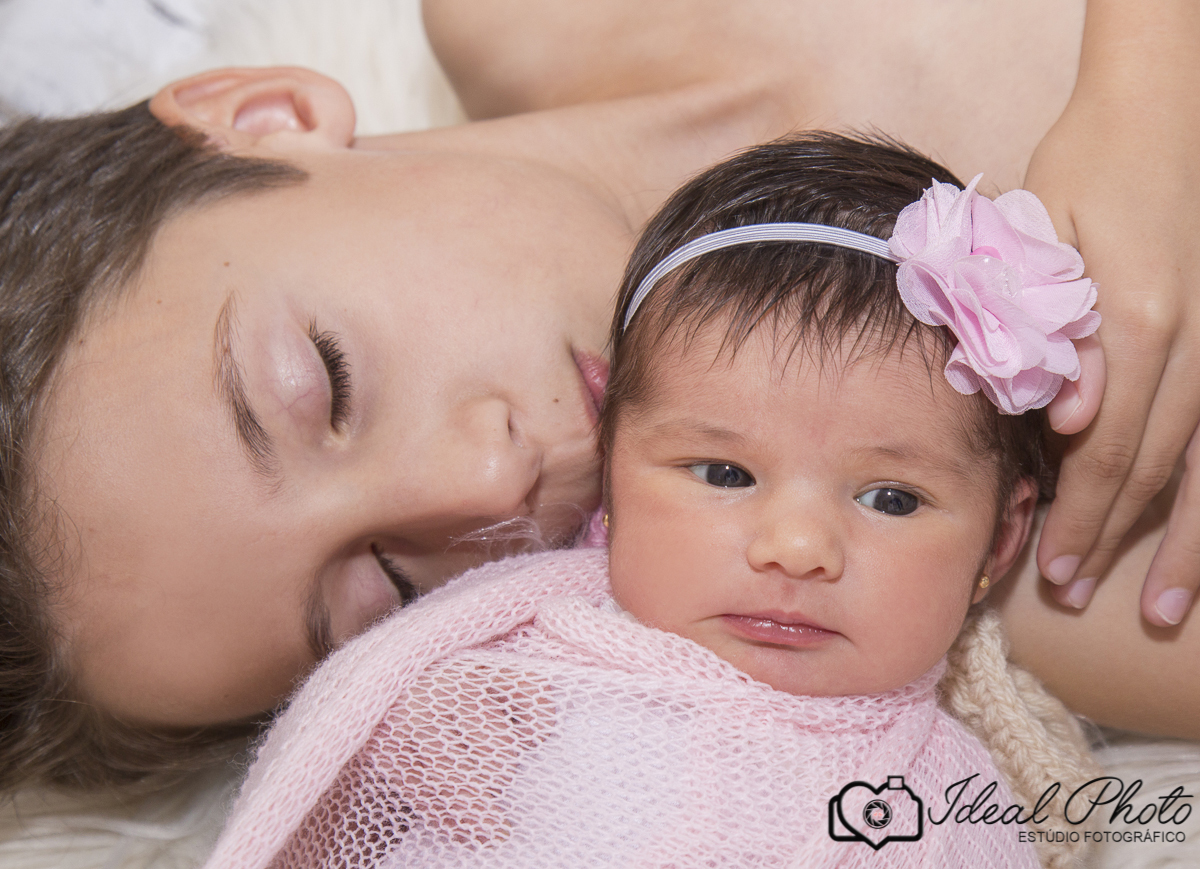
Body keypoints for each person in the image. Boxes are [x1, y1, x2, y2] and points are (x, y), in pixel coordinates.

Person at [1, 0, 1198, 791]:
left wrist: (1153, 79)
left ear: (259, 119)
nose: (482, 484)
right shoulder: (953, 541)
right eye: (386, 587)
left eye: (329, 379)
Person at [201, 134, 1099, 869]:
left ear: (999, 540)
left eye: (892, 498)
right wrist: (432, 743)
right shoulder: (526, 634)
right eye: (722, 474)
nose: (795, 545)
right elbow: (363, 736)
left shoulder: (946, 803)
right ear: (613, 478)